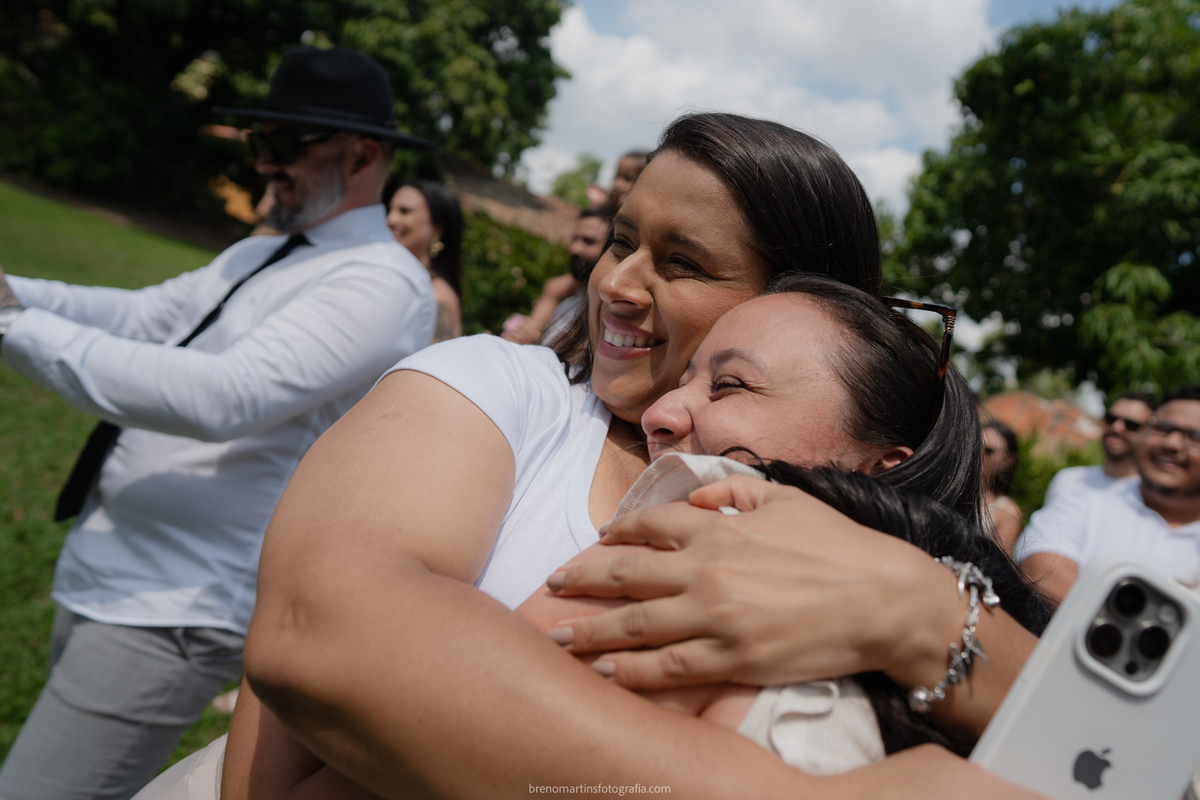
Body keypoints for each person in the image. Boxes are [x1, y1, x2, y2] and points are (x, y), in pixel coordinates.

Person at [234, 113, 1043, 799]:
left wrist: (921, 610)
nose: (618, 281)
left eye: (683, 261)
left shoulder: (825, 519)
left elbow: (1084, 741)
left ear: (805, 301)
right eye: (621, 241)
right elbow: (319, 630)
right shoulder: (503, 386)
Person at [0, 46, 437, 800]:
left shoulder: (381, 284)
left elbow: (226, 396)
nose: (264, 165)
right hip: (117, 568)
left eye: (282, 146)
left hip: (177, 602)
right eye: (258, 142)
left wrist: (14, 329)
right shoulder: (262, 254)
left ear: (363, 154)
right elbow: (143, 316)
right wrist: (16, 293)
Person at [1018, 385, 1200, 602]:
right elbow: (1041, 572)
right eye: (1162, 428)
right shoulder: (1080, 503)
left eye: (1195, 436)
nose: (1172, 443)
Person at [502, 209, 611, 344]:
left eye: (588, 241)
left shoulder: (611, 306)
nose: (574, 249)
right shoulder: (561, 289)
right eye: (574, 239)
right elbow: (528, 334)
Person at [385, 179, 464, 342]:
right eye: (390, 210)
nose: (390, 220)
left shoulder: (438, 297)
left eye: (404, 211)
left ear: (438, 229)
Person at [982, 421, 1023, 555]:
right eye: (975, 445)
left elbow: (997, 568)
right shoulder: (947, 486)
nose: (979, 454)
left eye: (988, 450)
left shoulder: (1007, 510)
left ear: (1009, 459)